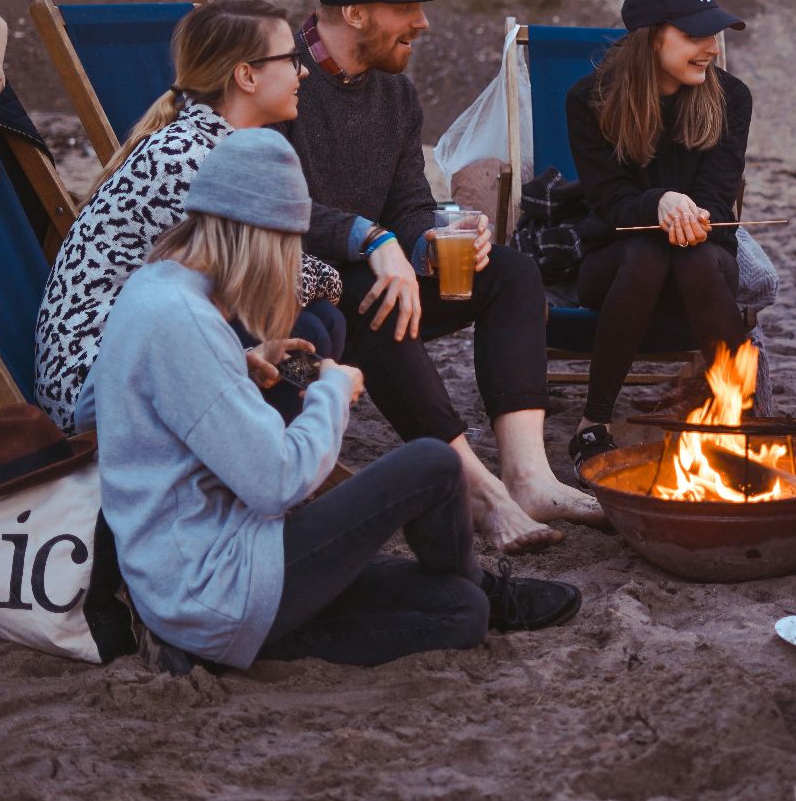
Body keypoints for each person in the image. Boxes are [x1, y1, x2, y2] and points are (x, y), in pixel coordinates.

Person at [90, 129, 580, 671]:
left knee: (458, 614)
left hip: (203, 582)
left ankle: (475, 593)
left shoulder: (155, 289)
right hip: (217, 583)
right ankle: (481, 584)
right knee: (432, 464)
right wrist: (332, 391)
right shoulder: (182, 320)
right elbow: (276, 482)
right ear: (258, 235)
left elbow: (149, 406)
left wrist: (241, 365)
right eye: (287, 246)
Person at [276, 0, 602, 553]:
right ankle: (478, 491)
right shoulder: (278, 78)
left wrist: (435, 235)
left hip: (383, 270)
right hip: (302, 289)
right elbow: (269, 201)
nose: (423, 24)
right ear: (355, 13)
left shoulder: (395, 93)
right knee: (374, 296)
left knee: (510, 271)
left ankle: (529, 476)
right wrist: (373, 241)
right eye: (408, 8)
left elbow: (408, 200)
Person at [34, 0, 346, 432]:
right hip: (96, 389)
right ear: (246, 75)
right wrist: (342, 268)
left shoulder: (203, 143)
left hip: (141, 352)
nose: (304, 71)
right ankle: (255, 463)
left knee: (317, 322)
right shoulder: (187, 160)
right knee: (309, 319)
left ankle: (259, 456)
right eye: (292, 59)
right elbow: (268, 280)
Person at [563, 0, 752, 467]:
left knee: (693, 257)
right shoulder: (590, 101)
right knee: (648, 252)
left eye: (714, 33)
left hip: (705, 263)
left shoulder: (731, 98)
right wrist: (659, 202)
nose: (711, 47)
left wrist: (691, 214)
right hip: (617, 265)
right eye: (695, 35)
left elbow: (717, 195)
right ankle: (594, 421)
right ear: (650, 39)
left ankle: (737, 418)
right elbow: (610, 203)